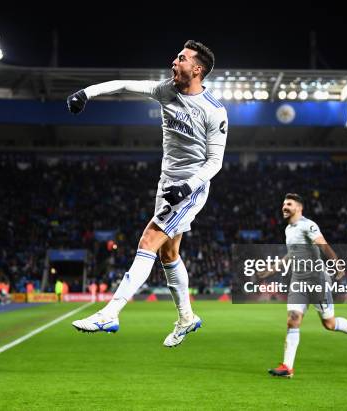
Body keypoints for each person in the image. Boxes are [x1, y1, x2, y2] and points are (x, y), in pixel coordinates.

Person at [69, 40, 228, 347]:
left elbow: (215, 161)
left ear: (197, 69)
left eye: (181, 58)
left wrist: (188, 185)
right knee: (169, 253)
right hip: (166, 185)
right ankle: (186, 318)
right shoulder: (165, 90)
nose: (174, 61)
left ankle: (111, 313)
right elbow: (123, 85)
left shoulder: (214, 111)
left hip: (190, 188)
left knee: (149, 240)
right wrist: (85, 93)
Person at [267, 194, 347, 378]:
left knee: (329, 323)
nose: (284, 207)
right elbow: (292, 254)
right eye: (283, 204)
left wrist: (337, 263)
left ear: (299, 208)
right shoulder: (288, 230)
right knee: (293, 320)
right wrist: (273, 269)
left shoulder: (308, 225)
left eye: (289, 204)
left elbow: (323, 245)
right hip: (299, 281)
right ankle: (287, 367)